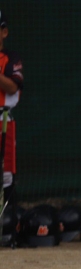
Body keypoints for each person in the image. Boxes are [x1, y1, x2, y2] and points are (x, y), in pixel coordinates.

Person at [0, 10, 23, 247]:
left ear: (4, 32)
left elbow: (12, 87)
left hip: (3, 119)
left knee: (6, 173)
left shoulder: (10, 58)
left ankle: (8, 228)